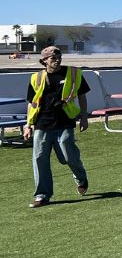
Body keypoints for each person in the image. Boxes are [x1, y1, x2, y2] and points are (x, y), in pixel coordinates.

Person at [23, 46, 90, 208]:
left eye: (59, 57)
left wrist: (84, 117)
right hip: (42, 123)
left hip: (64, 122)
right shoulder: (36, 78)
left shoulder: (73, 74)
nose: (57, 60)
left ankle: (81, 178)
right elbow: (32, 103)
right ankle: (42, 195)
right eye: (53, 58)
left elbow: (82, 96)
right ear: (44, 61)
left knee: (68, 156)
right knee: (39, 159)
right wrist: (28, 124)